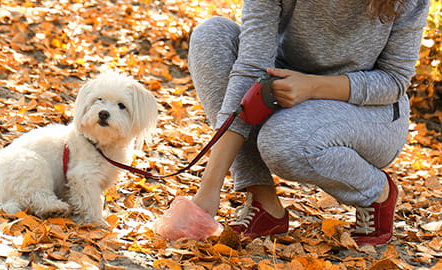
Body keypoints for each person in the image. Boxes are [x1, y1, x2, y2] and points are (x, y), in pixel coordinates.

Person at [184, 0, 429, 246]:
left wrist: (311, 86)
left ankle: (375, 192)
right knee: (212, 37)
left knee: (282, 139)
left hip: (371, 111)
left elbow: (394, 80)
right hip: (285, 87)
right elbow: (250, 68)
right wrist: (209, 189)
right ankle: (264, 203)